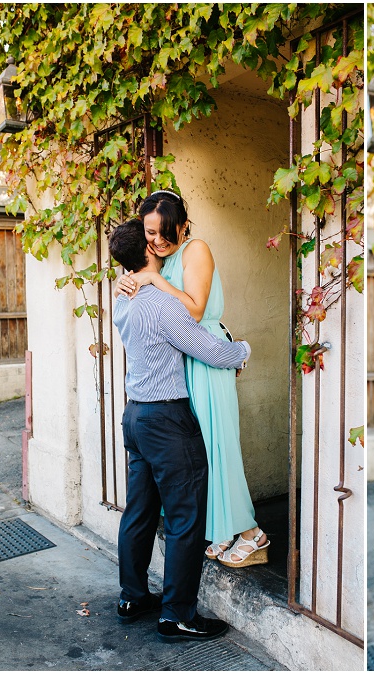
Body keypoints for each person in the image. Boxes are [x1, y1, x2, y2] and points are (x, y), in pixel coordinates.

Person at [108, 218, 251, 642]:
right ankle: (177, 616)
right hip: (167, 420)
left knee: (139, 512)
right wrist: (242, 349)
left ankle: (132, 597)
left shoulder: (124, 299)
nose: (159, 243)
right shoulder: (161, 303)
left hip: (134, 417)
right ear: (148, 254)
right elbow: (206, 349)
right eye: (152, 239)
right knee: (186, 519)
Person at [116, 190, 268, 567]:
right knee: (199, 456)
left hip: (206, 357)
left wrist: (153, 280)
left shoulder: (194, 249)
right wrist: (131, 280)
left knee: (219, 447)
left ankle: (253, 533)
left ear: (184, 226)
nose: (158, 240)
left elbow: (196, 311)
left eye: (167, 231)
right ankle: (224, 528)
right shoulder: (155, 260)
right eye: (151, 232)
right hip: (182, 362)